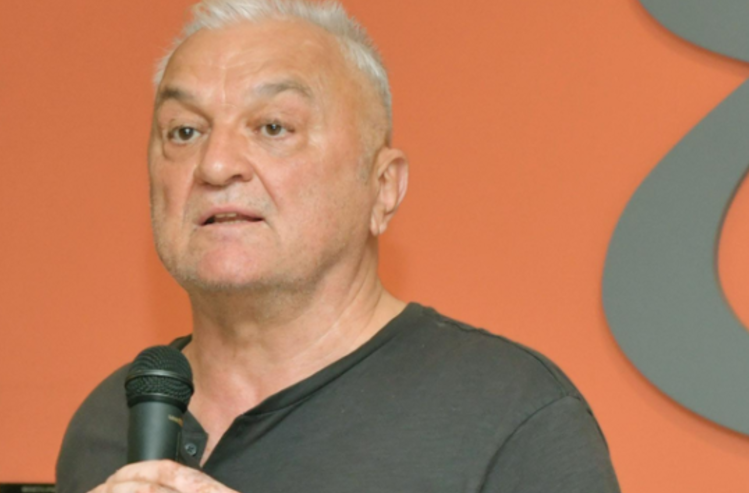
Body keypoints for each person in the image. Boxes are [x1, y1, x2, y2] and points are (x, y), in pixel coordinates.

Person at [57, 1, 621, 492]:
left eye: (273, 127)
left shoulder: (511, 417)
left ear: (382, 187)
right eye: (184, 131)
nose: (216, 164)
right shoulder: (108, 423)